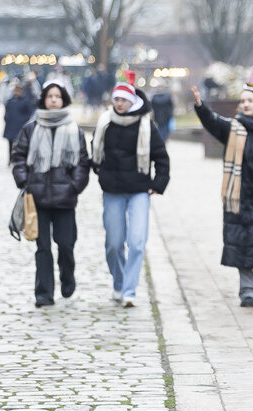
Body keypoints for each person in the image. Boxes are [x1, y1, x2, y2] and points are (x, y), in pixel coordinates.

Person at [190, 70, 253, 307]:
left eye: (250, 100)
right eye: (242, 101)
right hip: (237, 196)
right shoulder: (233, 128)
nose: (245, 104)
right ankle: (246, 289)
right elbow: (213, 123)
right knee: (241, 243)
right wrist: (201, 107)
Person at [91, 71, 170, 308]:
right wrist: (100, 172)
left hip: (139, 190)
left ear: (132, 101)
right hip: (113, 190)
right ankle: (119, 281)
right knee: (114, 244)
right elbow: (95, 152)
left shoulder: (147, 125)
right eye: (116, 99)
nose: (119, 104)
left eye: (124, 100)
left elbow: (161, 158)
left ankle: (129, 290)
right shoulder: (105, 123)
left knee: (136, 241)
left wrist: (157, 184)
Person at [10, 81, 90, 307]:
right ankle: (43, 293)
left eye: (58, 96)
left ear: (64, 100)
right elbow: (19, 157)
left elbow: (82, 163)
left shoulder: (74, 130)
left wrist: (74, 186)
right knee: (43, 248)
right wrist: (25, 182)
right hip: (38, 198)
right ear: (43, 100)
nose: (53, 100)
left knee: (66, 245)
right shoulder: (31, 128)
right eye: (49, 96)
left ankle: (67, 277)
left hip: (65, 199)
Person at [3, 81, 35, 159]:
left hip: (20, 126)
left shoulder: (26, 101)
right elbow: (7, 111)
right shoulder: (10, 101)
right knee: (10, 143)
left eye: (19, 90)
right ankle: (10, 158)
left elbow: (29, 113)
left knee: (20, 143)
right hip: (11, 125)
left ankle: (19, 157)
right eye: (16, 90)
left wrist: (23, 120)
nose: (17, 92)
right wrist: (6, 118)